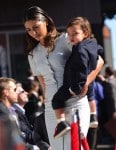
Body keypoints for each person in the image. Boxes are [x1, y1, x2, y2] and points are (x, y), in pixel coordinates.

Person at [24, 6, 104, 150]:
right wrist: (47, 103)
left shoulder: (66, 40)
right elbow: (43, 84)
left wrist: (86, 82)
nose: (33, 33)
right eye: (29, 29)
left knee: (74, 146)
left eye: (36, 27)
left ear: (46, 22)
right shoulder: (33, 54)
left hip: (76, 102)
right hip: (52, 109)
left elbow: (99, 61)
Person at [52, 16, 101, 138]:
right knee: (91, 95)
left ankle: (61, 123)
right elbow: (99, 49)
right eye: (69, 34)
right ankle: (93, 115)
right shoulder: (91, 43)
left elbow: (81, 70)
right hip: (89, 81)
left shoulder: (79, 49)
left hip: (74, 85)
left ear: (85, 33)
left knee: (56, 100)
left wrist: (73, 89)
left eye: (75, 33)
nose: (71, 37)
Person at [0, 77, 25, 150]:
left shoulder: (11, 111)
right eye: (14, 90)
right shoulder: (3, 114)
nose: (17, 93)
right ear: (5, 92)